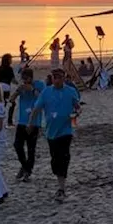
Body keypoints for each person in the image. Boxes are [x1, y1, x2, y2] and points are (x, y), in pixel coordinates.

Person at [34, 68, 80, 200]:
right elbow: (37, 108)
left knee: (64, 157)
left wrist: (77, 113)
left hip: (66, 130)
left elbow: (77, 106)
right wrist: (32, 124)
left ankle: (61, 188)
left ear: (64, 78)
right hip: (51, 131)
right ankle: (59, 177)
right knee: (55, 159)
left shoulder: (70, 91)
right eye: (55, 77)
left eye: (59, 77)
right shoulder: (46, 92)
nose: (57, 80)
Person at [10, 68, 45, 182]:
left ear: (31, 77)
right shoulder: (22, 87)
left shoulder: (39, 84)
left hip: (34, 121)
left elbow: (42, 98)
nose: (24, 81)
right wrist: (16, 92)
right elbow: (11, 100)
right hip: (22, 121)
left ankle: (27, 171)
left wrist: (32, 89)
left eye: (26, 79)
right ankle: (25, 166)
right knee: (17, 145)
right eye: (23, 79)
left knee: (31, 148)